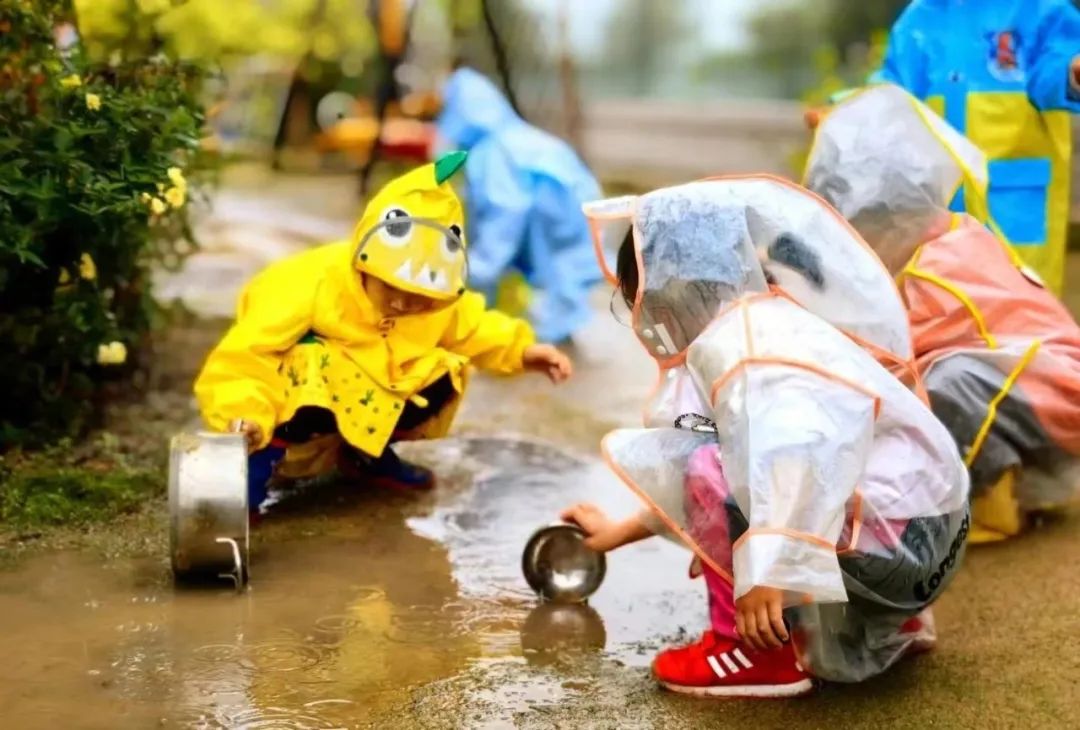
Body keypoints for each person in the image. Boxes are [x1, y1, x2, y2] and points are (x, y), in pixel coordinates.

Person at [562, 177, 970, 698]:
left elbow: (787, 454)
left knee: (707, 466)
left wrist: (765, 572)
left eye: (644, 300)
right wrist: (621, 532)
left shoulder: (742, 347)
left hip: (890, 550)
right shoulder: (773, 317)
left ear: (670, 290)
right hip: (930, 540)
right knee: (731, 472)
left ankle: (753, 654)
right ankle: (889, 626)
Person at [194, 152, 572, 506]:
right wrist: (246, 414)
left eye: (419, 297)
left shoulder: (436, 304)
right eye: (391, 287)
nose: (403, 304)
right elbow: (246, 355)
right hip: (297, 400)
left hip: (365, 396)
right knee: (311, 364)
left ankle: (365, 454)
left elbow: (471, 325)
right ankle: (257, 464)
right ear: (364, 263)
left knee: (442, 373)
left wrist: (522, 351)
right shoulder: (308, 283)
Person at [805, 83, 1080, 544]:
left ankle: (994, 507)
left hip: (1055, 392)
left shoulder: (938, 268)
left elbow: (891, 357)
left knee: (940, 383)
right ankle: (1022, 487)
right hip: (1034, 389)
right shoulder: (949, 235)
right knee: (943, 379)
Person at [873, 0, 1080, 293]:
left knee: (1022, 321)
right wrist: (844, 109)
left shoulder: (1042, 10)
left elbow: (1053, 71)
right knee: (942, 319)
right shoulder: (920, 18)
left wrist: (1071, 75)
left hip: (1015, 217)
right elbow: (888, 92)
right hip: (937, 218)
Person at [433, 66, 602, 345]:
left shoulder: (492, 152)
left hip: (556, 215)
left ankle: (544, 349)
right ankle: (556, 342)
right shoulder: (517, 136)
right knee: (562, 280)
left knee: (554, 286)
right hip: (576, 209)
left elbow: (504, 213)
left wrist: (472, 271)